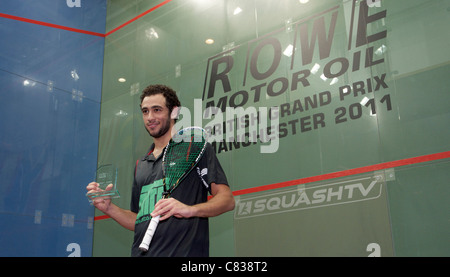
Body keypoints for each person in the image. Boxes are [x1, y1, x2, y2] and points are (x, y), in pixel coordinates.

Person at [86, 84, 235, 257]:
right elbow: (140, 220)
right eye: (145, 111)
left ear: (174, 112)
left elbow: (227, 200)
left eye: (157, 110)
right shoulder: (141, 164)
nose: (150, 117)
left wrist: (189, 209)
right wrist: (109, 208)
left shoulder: (194, 150)